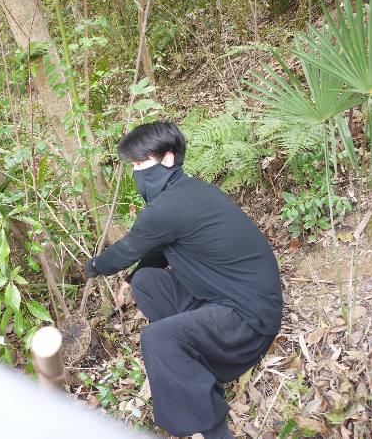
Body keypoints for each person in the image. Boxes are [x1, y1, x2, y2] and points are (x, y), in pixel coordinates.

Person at [84, 121, 282, 439]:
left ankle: (215, 431)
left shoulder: (168, 208)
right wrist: (132, 278)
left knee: (158, 339)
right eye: (132, 166)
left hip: (248, 319)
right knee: (146, 281)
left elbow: (127, 249)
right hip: (228, 300)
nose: (135, 173)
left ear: (167, 159)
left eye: (140, 164)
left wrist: (94, 266)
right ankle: (194, 365)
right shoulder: (189, 193)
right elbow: (157, 248)